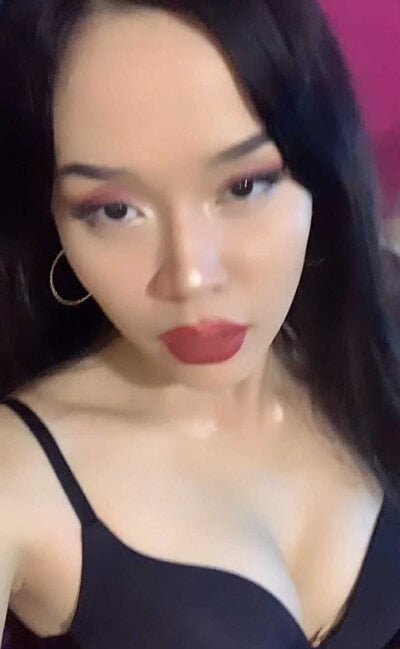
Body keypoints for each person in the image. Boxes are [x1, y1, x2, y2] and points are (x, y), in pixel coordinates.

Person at [0, 0, 399, 647]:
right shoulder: (16, 475)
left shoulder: (377, 346)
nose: (189, 276)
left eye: (243, 186)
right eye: (114, 210)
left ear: (319, 175)